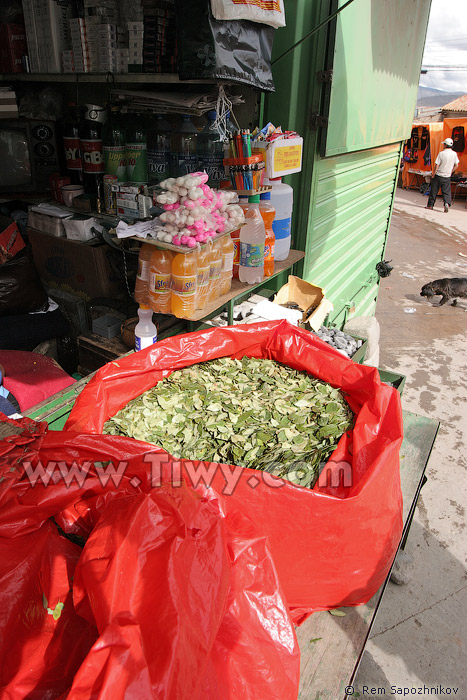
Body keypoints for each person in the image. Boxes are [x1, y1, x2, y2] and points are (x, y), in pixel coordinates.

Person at [426, 137, 459, 213]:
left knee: (434, 191)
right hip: (447, 176)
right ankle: (446, 203)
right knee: (446, 191)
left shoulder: (441, 153)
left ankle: (430, 205)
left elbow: (436, 165)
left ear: (445, 145)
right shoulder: (454, 154)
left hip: (438, 175)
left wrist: (433, 174)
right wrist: (450, 172)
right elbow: (456, 165)